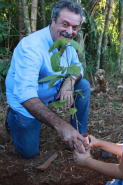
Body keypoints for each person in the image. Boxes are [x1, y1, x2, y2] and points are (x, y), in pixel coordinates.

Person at [5, 0, 90, 159]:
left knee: (83, 85)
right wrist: (61, 126)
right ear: (53, 20)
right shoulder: (31, 47)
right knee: (29, 153)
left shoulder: (67, 43)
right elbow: (26, 94)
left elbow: (77, 67)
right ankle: (13, 117)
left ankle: (77, 135)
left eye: (75, 27)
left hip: (51, 91)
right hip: (27, 100)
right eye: (65, 24)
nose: (70, 31)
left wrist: (70, 81)